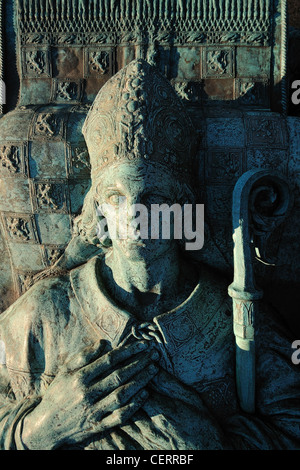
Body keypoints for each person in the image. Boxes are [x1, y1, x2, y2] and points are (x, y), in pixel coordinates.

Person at [0, 59, 299, 450]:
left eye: (153, 196)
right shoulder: (42, 315)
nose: (135, 217)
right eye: (116, 197)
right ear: (98, 209)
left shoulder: (237, 320)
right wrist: (38, 430)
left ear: (182, 206)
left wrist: (211, 444)